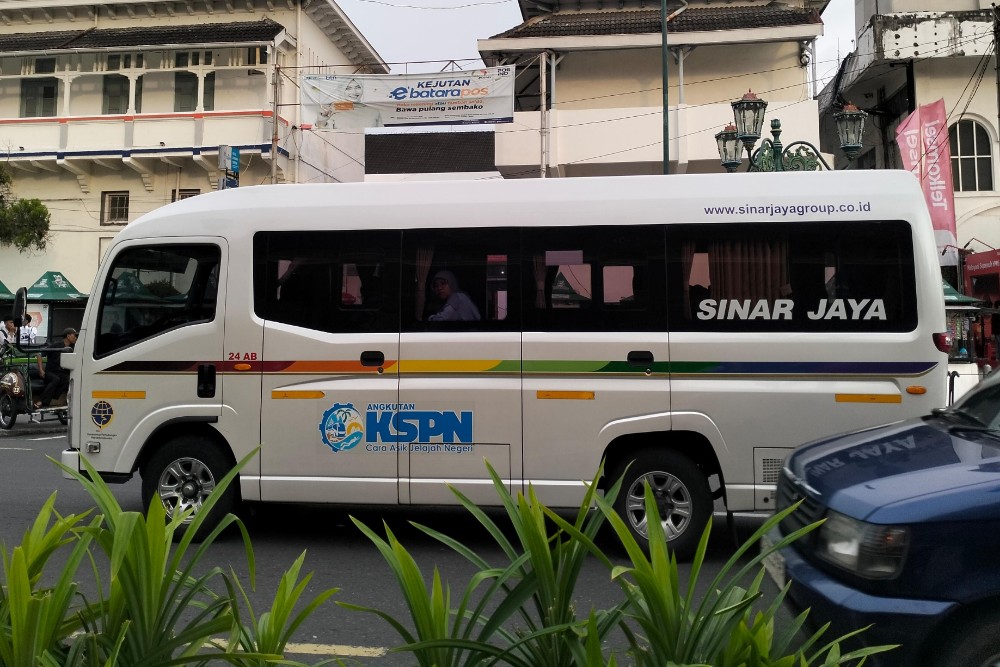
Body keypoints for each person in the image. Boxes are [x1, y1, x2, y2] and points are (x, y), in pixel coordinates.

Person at [34, 327, 77, 409]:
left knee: (68, 379)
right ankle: (41, 401)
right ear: (68, 336)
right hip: (50, 372)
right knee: (55, 379)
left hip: (62, 372)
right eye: (74, 336)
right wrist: (41, 370)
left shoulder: (73, 347)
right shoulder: (56, 345)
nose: (75, 338)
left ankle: (55, 399)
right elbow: (39, 354)